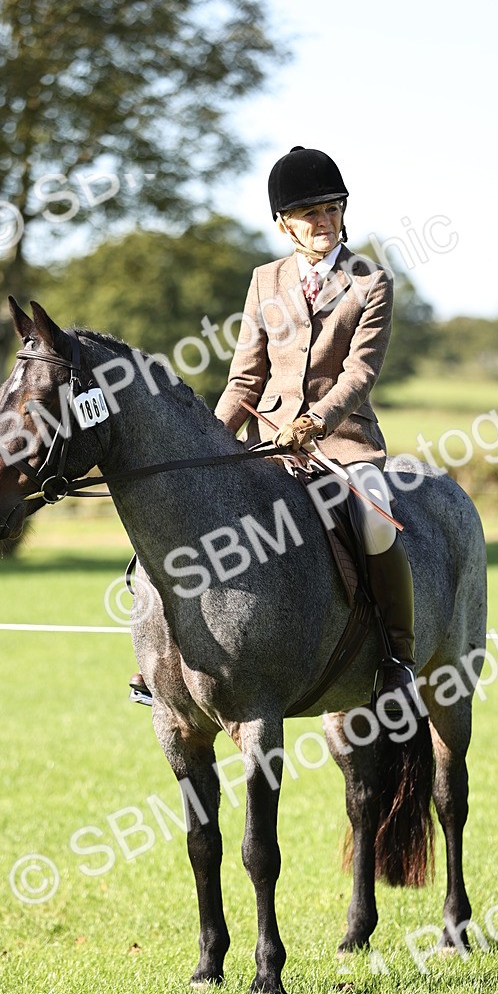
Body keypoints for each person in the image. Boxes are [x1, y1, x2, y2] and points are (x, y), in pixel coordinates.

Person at [130, 145, 417, 706]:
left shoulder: (370, 281)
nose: (324, 222)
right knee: (183, 517)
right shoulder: (266, 280)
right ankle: (162, 662)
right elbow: (244, 378)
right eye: (310, 214)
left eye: (332, 210)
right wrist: (207, 447)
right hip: (267, 444)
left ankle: (396, 657)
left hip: (342, 443)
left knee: (376, 523)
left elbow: (360, 374)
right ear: (284, 223)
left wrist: (314, 422)